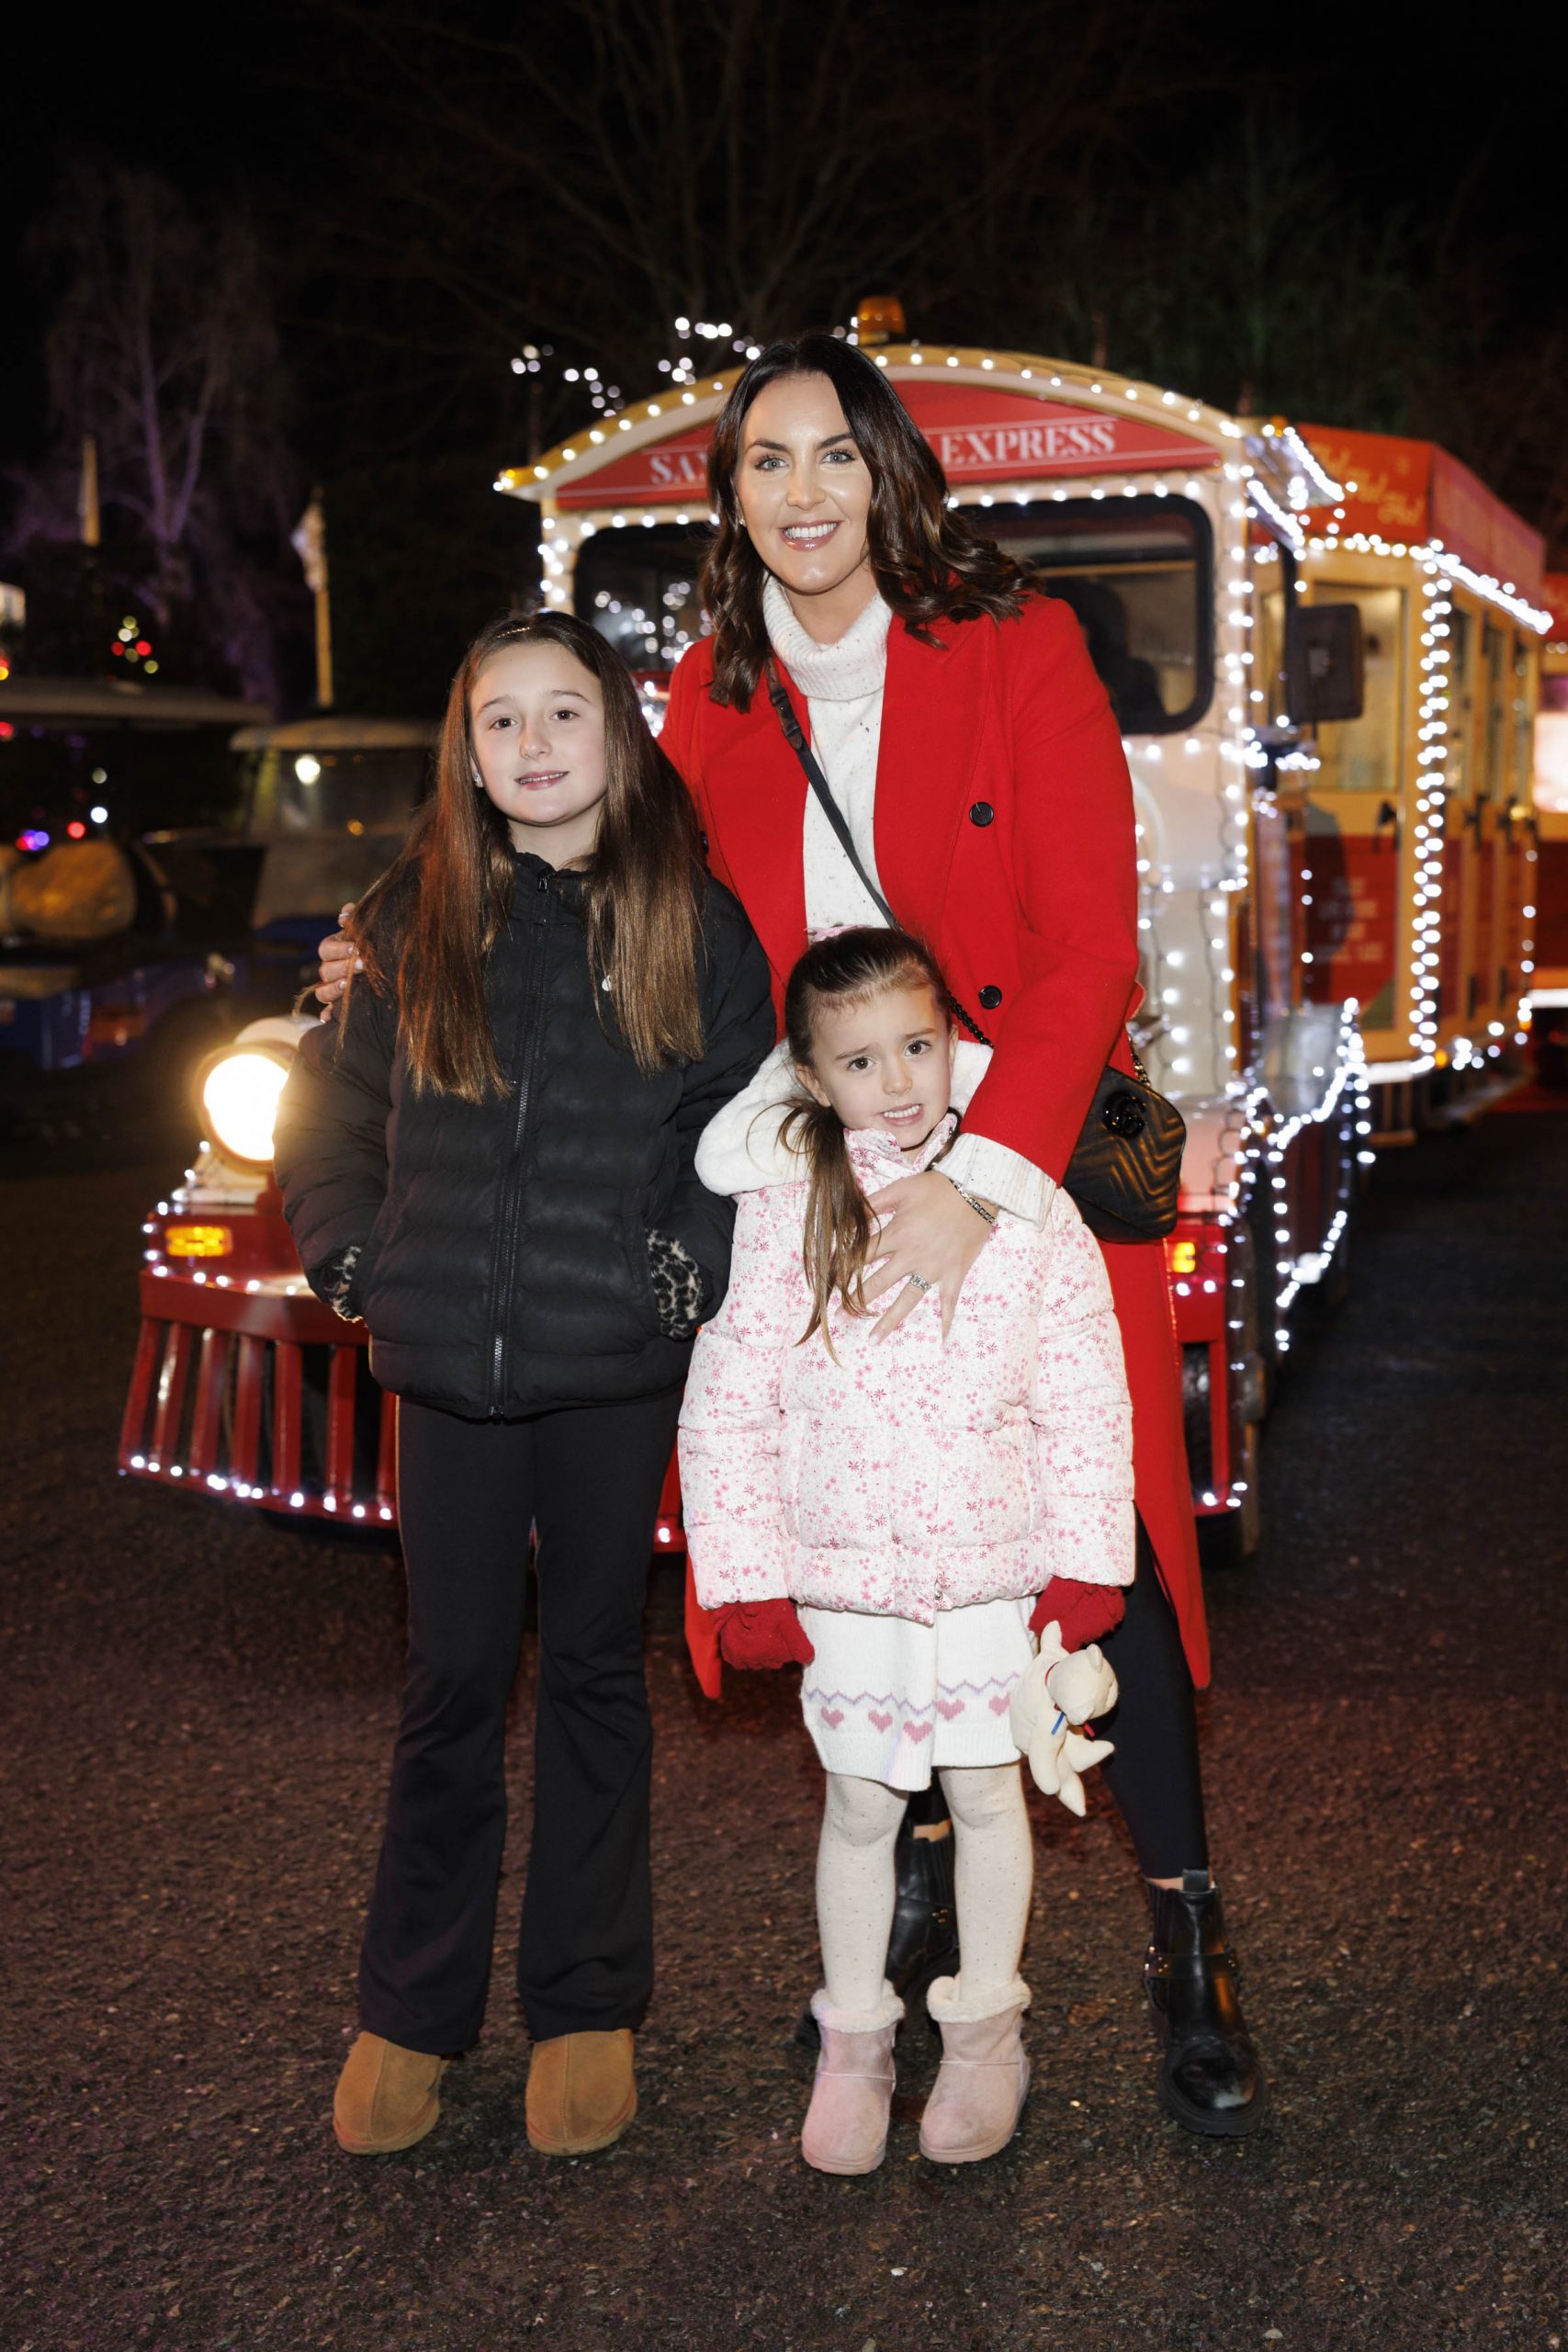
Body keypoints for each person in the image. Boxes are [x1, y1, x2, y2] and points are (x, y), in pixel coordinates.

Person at [316, 331, 1269, 2135]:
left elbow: (1086, 949)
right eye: (766, 461)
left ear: (887, 471)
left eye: (835, 453)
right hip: (821, 1181)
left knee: (1098, 1538)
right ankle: (903, 1915)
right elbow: (619, 873)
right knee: (863, 1534)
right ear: (733, 497)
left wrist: (983, 1182)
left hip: (1012, 1150)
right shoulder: (714, 689)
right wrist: (392, 934)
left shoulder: (1015, 646)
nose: (804, 490)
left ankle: (1185, 1933)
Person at [275, 610, 774, 2160]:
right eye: (503, 720)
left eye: (567, 712)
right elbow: (325, 1114)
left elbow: (744, 1125)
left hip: (612, 1362)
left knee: (595, 1678)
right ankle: (410, 2013)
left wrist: (680, 1271)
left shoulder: (692, 923)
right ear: (469, 753)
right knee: (450, 1685)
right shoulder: (408, 916)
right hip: (446, 1372)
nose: (536, 743)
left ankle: (586, 2006)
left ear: (618, 734)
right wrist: (355, 1262)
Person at [680, 926, 1133, 2172]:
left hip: (992, 1569)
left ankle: (986, 2034)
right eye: (862, 1060)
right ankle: (857, 2042)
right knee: (861, 1804)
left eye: (918, 1047)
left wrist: (1087, 1559)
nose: (899, 1082)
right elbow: (732, 1401)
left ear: (952, 1045)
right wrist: (746, 1581)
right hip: (849, 1581)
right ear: (810, 1078)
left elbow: (1083, 1391)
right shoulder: (782, 1208)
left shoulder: (1019, 1193)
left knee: (989, 1795)